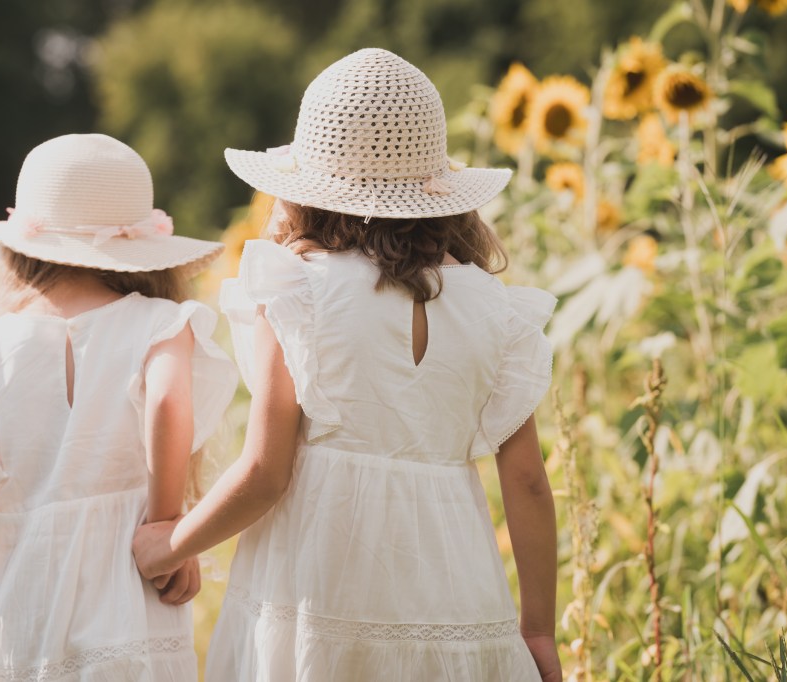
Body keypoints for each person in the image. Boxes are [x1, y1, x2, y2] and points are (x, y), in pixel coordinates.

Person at [133, 49, 563, 680]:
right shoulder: (492, 310)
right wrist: (539, 629)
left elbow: (265, 473)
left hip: (318, 587)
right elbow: (526, 481)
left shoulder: (299, 292)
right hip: (455, 591)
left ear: (308, 193)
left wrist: (168, 545)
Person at [0, 133, 238, 680]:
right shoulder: (158, 325)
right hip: (123, 592)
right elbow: (170, 401)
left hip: (13, 599)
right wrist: (164, 522)